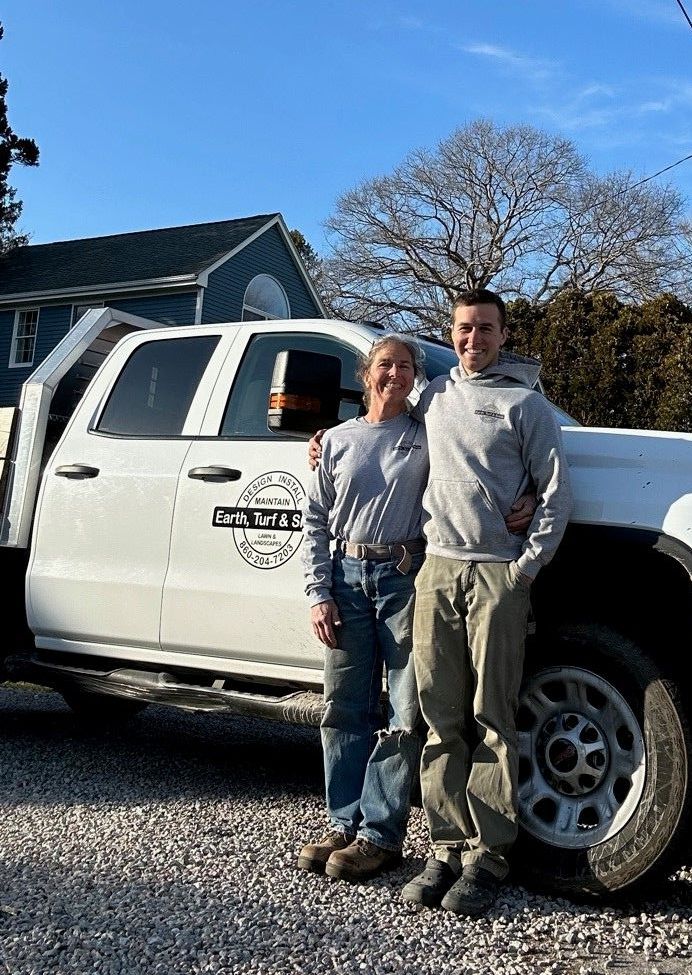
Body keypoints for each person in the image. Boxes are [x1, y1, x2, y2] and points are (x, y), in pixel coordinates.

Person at [400, 288, 572, 917]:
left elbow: (555, 493)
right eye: (463, 329)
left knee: (492, 719)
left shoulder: (526, 405)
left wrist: (525, 569)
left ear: (504, 334)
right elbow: (383, 413)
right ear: (451, 334)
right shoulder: (435, 395)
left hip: (498, 573)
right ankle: (443, 848)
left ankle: (489, 857)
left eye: (485, 329)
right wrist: (321, 443)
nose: (473, 339)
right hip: (437, 571)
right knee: (439, 716)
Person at [298, 335, 429, 882]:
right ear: (365, 374)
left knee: (404, 712)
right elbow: (315, 520)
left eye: (404, 366)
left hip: (404, 577)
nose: (394, 374)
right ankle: (342, 823)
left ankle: (381, 835)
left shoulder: (427, 434)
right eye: (384, 365)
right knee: (345, 707)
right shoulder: (335, 441)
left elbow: (480, 452)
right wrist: (318, 593)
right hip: (347, 579)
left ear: (415, 376)